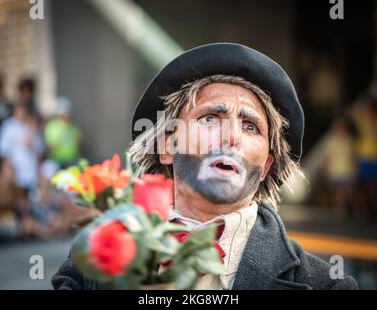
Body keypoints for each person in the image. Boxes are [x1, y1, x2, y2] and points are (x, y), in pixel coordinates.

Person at [52, 43, 358, 290]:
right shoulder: (89, 262)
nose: (231, 137)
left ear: (265, 166)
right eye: (210, 118)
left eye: (250, 126)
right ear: (167, 146)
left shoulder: (325, 285)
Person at [43, 96, 81, 168]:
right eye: (65, 112)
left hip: (72, 160)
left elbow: (78, 143)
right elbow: (50, 146)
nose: (68, 114)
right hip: (56, 161)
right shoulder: (52, 126)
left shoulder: (73, 127)